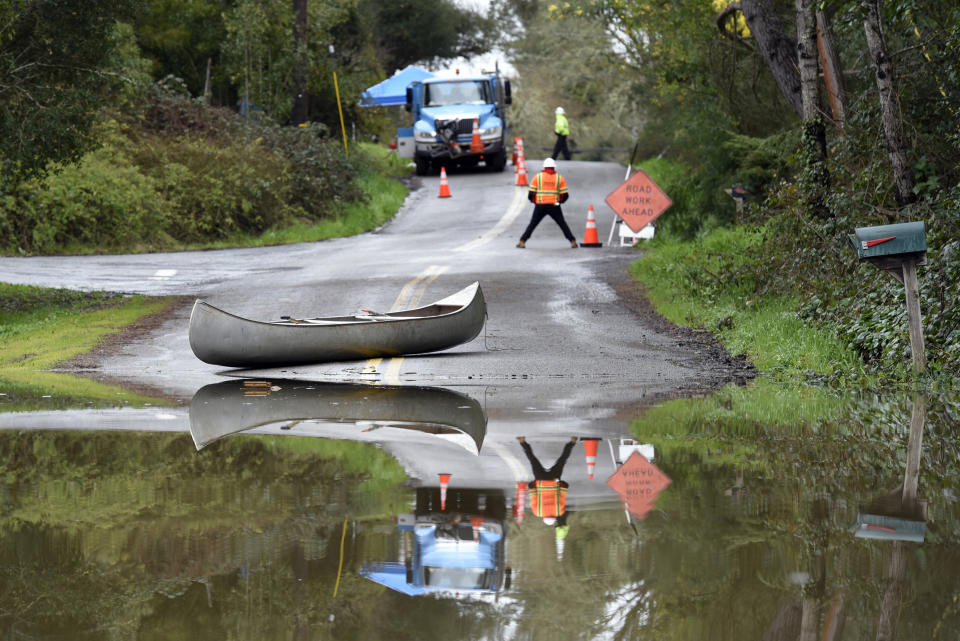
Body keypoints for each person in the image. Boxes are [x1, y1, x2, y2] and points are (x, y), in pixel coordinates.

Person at [516, 157, 578, 248]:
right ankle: (572, 241)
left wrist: (536, 202)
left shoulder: (538, 177)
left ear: (544, 167)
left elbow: (531, 194)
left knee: (532, 224)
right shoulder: (559, 178)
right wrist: (558, 203)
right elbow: (565, 196)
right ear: (554, 167)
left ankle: (522, 241)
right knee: (562, 224)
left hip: (540, 205)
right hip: (554, 205)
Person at [516, 436, 577, 529]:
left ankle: (572, 442)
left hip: (554, 480)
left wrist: (563, 484)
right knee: (533, 460)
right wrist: (531, 485)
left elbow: (562, 496)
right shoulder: (537, 512)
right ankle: (522, 442)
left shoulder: (559, 511)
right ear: (544, 518)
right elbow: (533, 496)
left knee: (562, 460)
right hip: (540, 480)